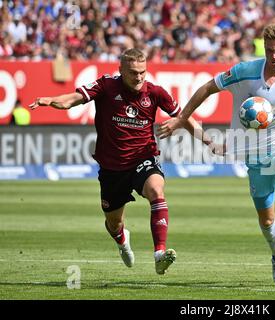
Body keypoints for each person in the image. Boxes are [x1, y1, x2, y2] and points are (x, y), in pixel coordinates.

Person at [158, 23, 275, 283]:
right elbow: (206, 89)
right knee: (267, 221)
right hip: (256, 156)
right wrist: (181, 120)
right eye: (269, 50)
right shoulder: (245, 72)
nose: (274, 56)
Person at [29, 48, 215, 275]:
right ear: (121, 71)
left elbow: (184, 117)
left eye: (142, 72)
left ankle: (159, 253)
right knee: (114, 223)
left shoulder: (155, 92)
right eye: (133, 73)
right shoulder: (107, 86)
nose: (138, 77)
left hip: (143, 158)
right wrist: (51, 101)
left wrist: (209, 142)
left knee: (157, 190)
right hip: (112, 168)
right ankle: (121, 239)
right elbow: (74, 99)